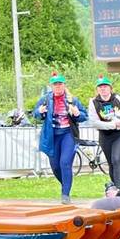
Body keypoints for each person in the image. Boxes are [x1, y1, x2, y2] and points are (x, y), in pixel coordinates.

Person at [31, 73, 87, 204]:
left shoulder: (72, 99)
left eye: (60, 84)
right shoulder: (45, 99)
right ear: (51, 86)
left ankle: (65, 195)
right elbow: (35, 114)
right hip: (51, 136)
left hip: (68, 134)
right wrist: (40, 111)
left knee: (65, 163)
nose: (58, 87)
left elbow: (84, 116)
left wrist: (77, 113)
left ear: (64, 85)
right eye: (55, 84)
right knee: (55, 166)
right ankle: (65, 185)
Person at [88, 75, 120, 188]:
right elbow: (94, 122)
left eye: (105, 86)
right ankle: (116, 187)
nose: (103, 89)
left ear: (110, 88)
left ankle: (119, 189)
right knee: (111, 163)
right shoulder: (94, 102)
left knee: (117, 159)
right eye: (100, 87)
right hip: (105, 136)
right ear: (97, 89)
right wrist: (113, 124)